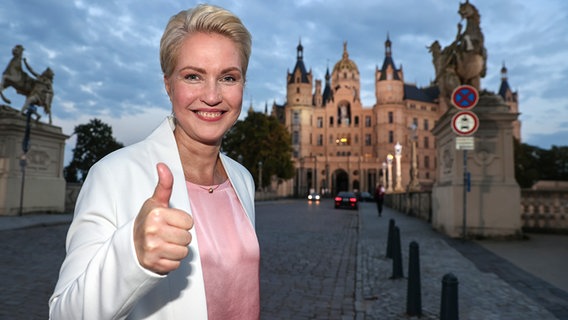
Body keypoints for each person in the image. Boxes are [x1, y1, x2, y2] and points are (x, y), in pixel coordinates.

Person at [49, 4, 259, 320]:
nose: (212, 96)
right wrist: (132, 255)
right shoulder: (112, 175)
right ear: (168, 85)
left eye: (228, 77)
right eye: (193, 76)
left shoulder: (242, 178)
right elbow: (64, 314)